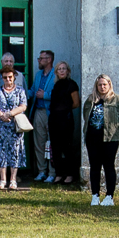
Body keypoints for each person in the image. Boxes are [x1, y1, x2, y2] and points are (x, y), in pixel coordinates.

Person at [82, 74, 119, 207]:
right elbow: (86, 117)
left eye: (104, 85)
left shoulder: (116, 100)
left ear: (109, 85)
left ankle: (109, 196)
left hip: (110, 139)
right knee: (94, 167)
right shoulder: (91, 100)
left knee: (109, 167)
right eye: (100, 85)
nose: (102, 87)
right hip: (92, 139)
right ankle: (95, 195)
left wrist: (116, 128)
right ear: (96, 86)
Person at [0, 63, 29, 191]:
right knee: (1, 151)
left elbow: (23, 106)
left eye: (10, 77)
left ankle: (13, 179)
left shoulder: (20, 91)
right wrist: (1, 115)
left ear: (14, 77)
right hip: (0, 125)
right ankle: (2, 179)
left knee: (15, 151)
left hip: (15, 125)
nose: (8, 80)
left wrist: (10, 113)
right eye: (5, 77)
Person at [49, 61, 81, 189]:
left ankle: (70, 174)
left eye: (64, 69)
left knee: (67, 146)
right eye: (59, 69)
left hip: (66, 119)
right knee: (55, 147)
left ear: (68, 71)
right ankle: (59, 173)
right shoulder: (56, 85)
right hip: (54, 119)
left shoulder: (71, 84)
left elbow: (76, 103)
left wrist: (64, 109)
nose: (62, 71)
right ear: (56, 72)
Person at [29, 50, 57, 182]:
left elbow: (60, 95)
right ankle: (42, 171)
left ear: (49, 60)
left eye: (41, 59)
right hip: (38, 111)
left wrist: (45, 95)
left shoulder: (56, 74)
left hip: (51, 112)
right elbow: (33, 91)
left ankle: (52, 172)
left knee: (52, 143)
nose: (39, 61)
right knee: (39, 143)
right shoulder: (38, 74)